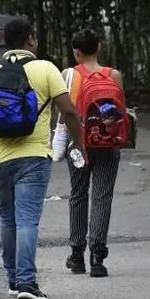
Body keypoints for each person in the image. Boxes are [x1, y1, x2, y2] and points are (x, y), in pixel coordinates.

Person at [0, 17, 85, 299]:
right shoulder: (45, 69)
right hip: (33, 157)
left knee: (7, 218)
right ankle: (27, 283)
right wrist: (80, 143)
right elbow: (70, 112)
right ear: (31, 40)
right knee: (27, 220)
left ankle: (14, 280)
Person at [51, 29, 126, 277]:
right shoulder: (113, 75)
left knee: (78, 194)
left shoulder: (69, 74)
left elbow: (63, 112)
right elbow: (120, 111)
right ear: (99, 47)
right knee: (103, 196)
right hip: (108, 142)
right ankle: (97, 256)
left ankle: (76, 254)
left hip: (79, 143)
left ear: (76, 52)